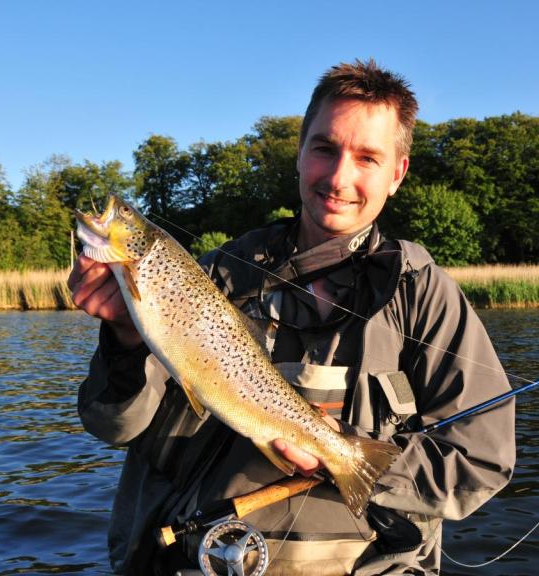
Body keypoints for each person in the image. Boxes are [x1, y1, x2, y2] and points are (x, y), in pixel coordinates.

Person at [68, 59, 515, 575]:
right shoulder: (208, 280)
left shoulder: (424, 295)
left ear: (397, 173)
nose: (339, 176)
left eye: (367, 157)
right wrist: (123, 335)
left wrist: (348, 461)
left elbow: (483, 460)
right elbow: (116, 428)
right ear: (300, 154)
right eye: (325, 148)